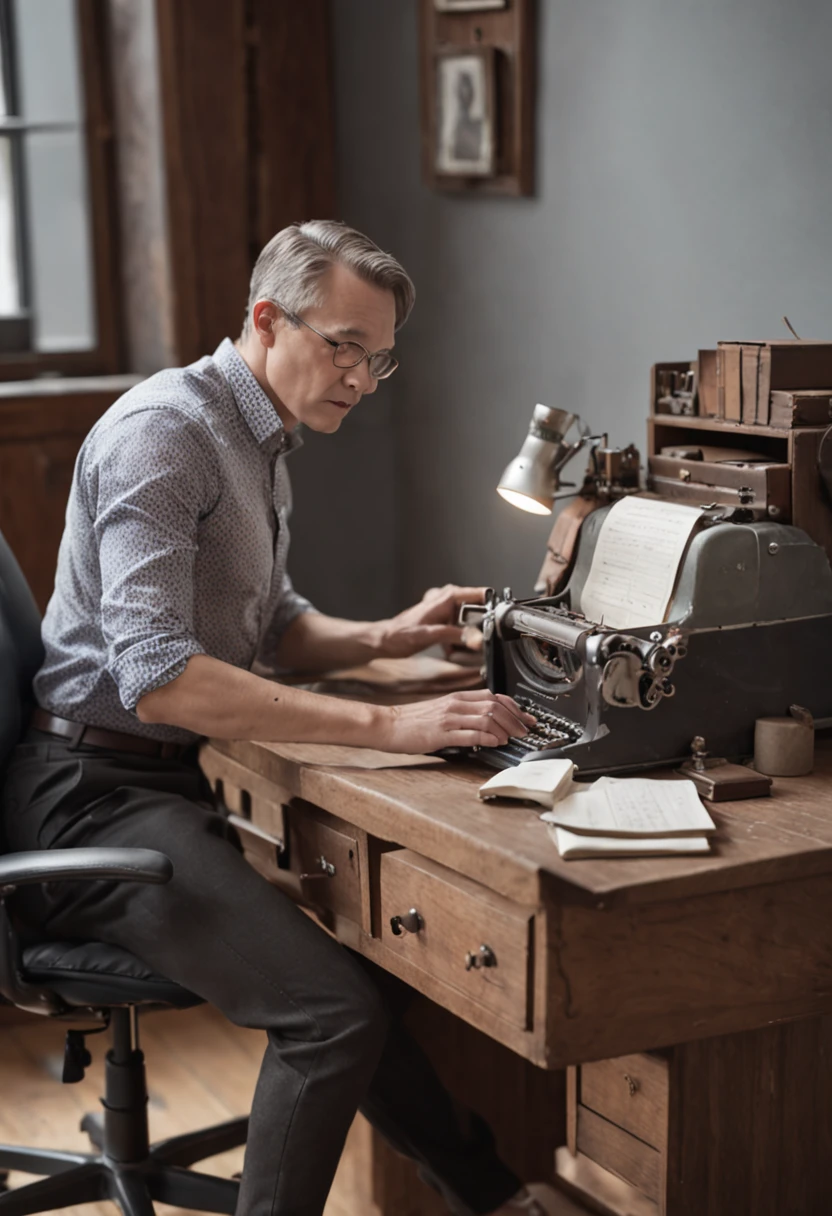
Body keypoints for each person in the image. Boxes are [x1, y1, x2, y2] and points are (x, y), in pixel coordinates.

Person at [1, 221, 546, 1216]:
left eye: (377, 357)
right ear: (265, 318)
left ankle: (493, 1194)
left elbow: (271, 623)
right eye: (343, 345)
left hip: (152, 785)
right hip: (88, 802)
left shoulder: (256, 436)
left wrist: (386, 637)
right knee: (330, 1016)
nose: (362, 377)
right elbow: (160, 678)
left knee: (360, 990)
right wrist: (394, 727)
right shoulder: (165, 435)